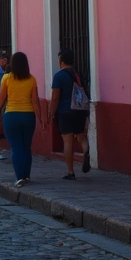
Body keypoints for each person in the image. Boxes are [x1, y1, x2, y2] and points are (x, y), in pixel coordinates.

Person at [0, 51, 42, 188]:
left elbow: (1, 98)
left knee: (16, 147)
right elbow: (35, 101)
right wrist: (41, 119)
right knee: (26, 147)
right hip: (28, 116)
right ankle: (26, 175)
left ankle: (19, 177)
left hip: (11, 115)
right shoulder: (31, 79)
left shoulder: (6, 78)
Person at [50, 50, 91, 180]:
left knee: (67, 142)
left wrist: (51, 114)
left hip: (65, 111)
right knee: (80, 135)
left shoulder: (59, 76)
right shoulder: (78, 74)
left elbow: (55, 97)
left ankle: (70, 172)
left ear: (61, 61)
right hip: (80, 110)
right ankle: (86, 152)